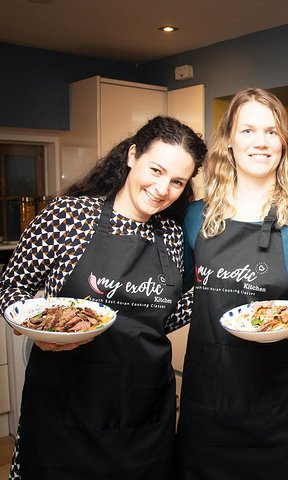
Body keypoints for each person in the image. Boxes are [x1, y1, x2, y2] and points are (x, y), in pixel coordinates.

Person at [0, 115, 207, 479]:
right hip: (65, 407)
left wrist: (212, 293)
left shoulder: (172, 236)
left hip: (143, 408)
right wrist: (31, 328)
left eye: (177, 181)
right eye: (155, 170)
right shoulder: (68, 217)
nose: (163, 189)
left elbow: (161, 315)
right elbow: (11, 287)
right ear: (131, 156)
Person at [175, 87, 288, 479]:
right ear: (228, 139)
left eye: (271, 131)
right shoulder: (195, 216)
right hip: (208, 405)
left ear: (284, 142)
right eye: (247, 130)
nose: (260, 142)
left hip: (282, 406)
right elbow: (173, 289)